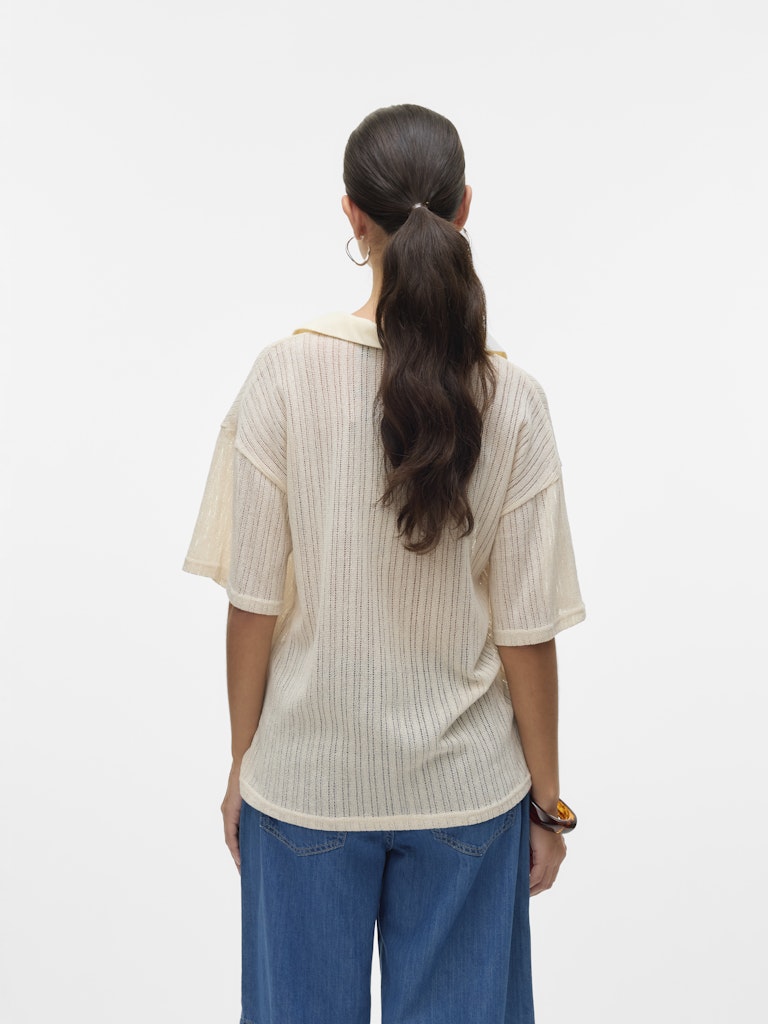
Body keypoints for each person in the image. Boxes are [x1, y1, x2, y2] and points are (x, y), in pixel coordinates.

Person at [183, 103, 587, 1024]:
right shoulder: (515, 399)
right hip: (468, 800)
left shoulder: (283, 377)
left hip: (306, 790)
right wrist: (549, 803)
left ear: (351, 215)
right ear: (466, 207)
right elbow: (527, 632)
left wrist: (243, 765)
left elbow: (252, 605)